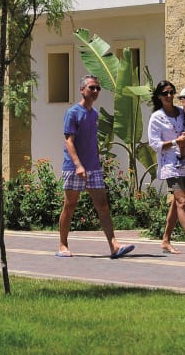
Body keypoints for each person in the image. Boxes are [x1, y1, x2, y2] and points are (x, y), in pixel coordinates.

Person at [57, 74, 135, 259]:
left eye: (98, 88)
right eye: (91, 87)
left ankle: (114, 246)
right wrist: (78, 165)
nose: (95, 91)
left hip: (93, 167)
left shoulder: (94, 114)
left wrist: (97, 162)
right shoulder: (73, 112)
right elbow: (69, 141)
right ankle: (62, 245)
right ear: (82, 90)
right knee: (70, 205)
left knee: (103, 205)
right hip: (74, 167)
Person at [147, 79, 185, 256]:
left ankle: (166, 240)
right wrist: (175, 142)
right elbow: (154, 144)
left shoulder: (182, 112)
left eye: (171, 92)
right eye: (165, 93)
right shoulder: (156, 117)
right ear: (159, 96)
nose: (169, 95)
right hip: (170, 164)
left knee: (176, 203)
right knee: (182, 201)